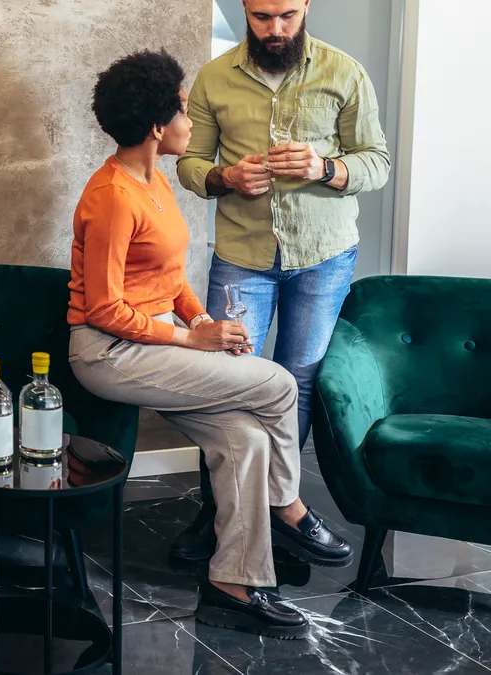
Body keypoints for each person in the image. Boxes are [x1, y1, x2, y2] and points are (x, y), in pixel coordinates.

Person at [67, 50, 352, 639]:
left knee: (245, 439)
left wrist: (202, 323)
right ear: (155, 126)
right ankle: (288, 508)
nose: (190, 123)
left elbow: (169, 281)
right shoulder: (112, 196)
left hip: (153, 347)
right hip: (107, 353)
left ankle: (233, 583)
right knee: (276, 382)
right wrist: (193, 341)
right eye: (181, 111)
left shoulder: (157, 184)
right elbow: (103, 308)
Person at [173, 0, 390, 562]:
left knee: (298, 380)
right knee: (225, 379)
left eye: (287, 15)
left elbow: (377, 162)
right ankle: (218, 511)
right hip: (242, 255)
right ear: (245, 9)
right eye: (262, 16)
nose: (275, 29)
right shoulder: (213, 78)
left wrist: (324, 168)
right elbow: (189, 164)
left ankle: (279, 506)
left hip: (324, 254)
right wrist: (224, 176)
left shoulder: (345, 72)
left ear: (307, 6)